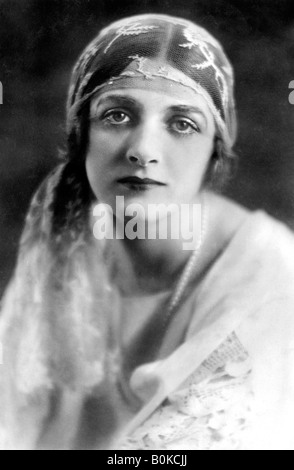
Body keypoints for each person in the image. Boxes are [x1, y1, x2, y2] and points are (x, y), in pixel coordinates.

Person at [1, 13, 294, 451]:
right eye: (117, 115)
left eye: (182, 124)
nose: (142, 150)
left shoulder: (274, 289)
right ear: (82, 135)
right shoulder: (69, 237)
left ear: (215, 151)